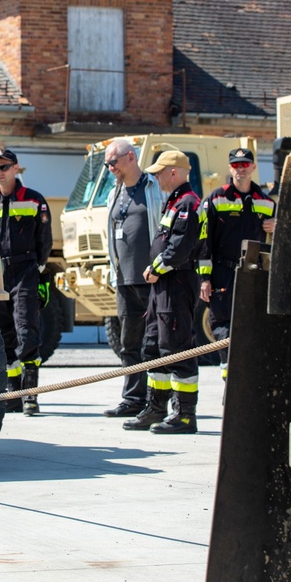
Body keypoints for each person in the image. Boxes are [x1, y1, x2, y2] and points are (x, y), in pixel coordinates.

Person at [124, 150, 202, 435]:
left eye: (159, 173)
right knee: (154, 347)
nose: (156, 178)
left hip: (176, 285)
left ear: (174, 171)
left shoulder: (188, 204)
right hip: (163, 287)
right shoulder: (174, 202)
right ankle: (156, 407)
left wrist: (155, 267)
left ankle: (184, 414)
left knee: (177, 347)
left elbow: (179, 247)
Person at [0, 149, 52, 416]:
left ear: (16, 168)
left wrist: (39, 273)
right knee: (2, 333)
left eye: (4, 167)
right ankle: (12, 392)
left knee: (27, 331)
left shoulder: (34, 200)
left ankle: (30, 394)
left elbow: (45, 240)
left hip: (25, 271)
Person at [198, 147, 276, 381]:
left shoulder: (266, 203)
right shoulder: (216, 198)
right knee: (222, 328)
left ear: (253, 167)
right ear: (230, 168)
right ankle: (229, 378)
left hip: (252, 272)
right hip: (222, 272)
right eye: (236, 165)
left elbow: (283, 242)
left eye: (244, 165)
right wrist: (204, 279)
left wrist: (279, 225)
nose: (240, 169)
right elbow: (204, 241)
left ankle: (248, 379)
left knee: (252, 325)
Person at [102, 140, 165, 418]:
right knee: (129, 343)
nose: (110, 168)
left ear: (130, 157)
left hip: (153, 278)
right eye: (107, 164)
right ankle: (132, 400)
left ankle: (157, 402)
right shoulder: (113, 192)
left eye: (112, 162)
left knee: (156, 343)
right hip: (124, 279)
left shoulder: (155, 188)